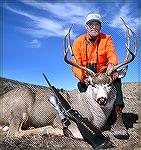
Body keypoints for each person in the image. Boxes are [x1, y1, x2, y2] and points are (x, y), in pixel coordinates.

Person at [71, 13, 129, 139]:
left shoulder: (107, 38)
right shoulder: (78, 42)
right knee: (80, 86)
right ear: (86, 27)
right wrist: (82, 77)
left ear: (100, 27)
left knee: (116, 80)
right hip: (89, 75)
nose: (93, 27)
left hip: (104, 74)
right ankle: (89, 117)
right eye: (90, 24)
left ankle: (118, 119)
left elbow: (112, 54)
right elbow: (75, 64)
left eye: (96, 24)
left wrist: (112, 65)